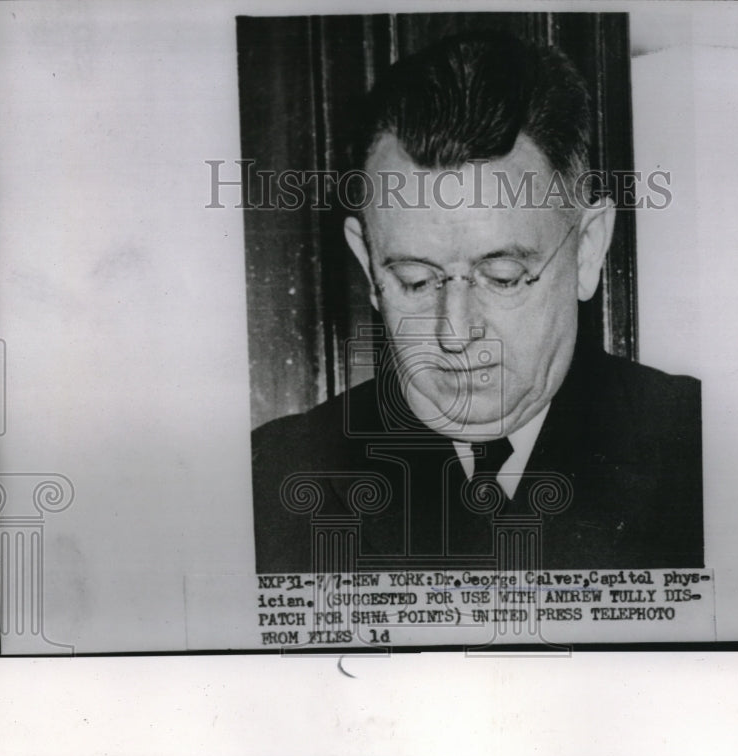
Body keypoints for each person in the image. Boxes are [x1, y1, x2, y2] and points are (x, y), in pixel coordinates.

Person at [251, 31, 703, 573]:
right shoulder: (272, 481)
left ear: (587, 249)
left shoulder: (704, 453)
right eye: (416, 281)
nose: (455, 333)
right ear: (369, 265)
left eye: (502, 278)